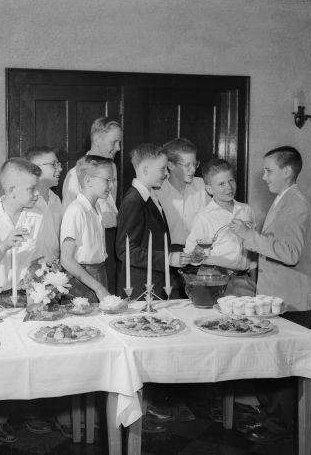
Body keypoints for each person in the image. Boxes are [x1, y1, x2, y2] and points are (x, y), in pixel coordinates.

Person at [230, 146, 311, 443]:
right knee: (275, 365)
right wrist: (254, 234)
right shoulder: (284, 200)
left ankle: (278, 430)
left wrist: (250, 238)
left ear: (287, 172)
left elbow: (291, 254)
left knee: (281, 367)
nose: (263, 176)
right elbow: (279, 242)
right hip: (280, 297)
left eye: (269, 170)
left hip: (290, 299)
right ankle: (275, 424)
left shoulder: (296, 204)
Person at [115, 143, 194, 432]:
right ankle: (143, 413)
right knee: (144, 350)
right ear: (145, 169)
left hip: (156, 282)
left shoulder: (150, 196)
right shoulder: (133, 200)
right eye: (162, 168)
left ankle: (156, 406)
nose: (166, 172)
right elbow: (126, 251)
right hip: (140, 287)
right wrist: (168, 258)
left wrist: (179, 254)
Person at [0, 157, 43, 445]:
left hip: (23, 296)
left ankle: (14, 413)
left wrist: (39, 286)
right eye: (31, 189)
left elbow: (33, 261)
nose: (36, 194)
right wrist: (4, 243)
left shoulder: (35, 216)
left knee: (25, 356)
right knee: (0, 361)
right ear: (12, 189)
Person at [62, 117, 122, 290]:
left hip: (107, 247)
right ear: (97, 139)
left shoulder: (112, 169)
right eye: (114, 142)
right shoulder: (76, 175)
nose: (118, 148)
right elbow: (69, 221)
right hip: (86, 257)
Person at [184, 158, 257, 297]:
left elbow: (254, 250)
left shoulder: (247, 210)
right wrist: (196, 253)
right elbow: (191, 254)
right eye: (221, 184)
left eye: (231, 181)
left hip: (244, 280)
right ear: (210, 189)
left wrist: (254, 281)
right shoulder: (204, 216)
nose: (229, 187)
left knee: (247, 318)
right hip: (214, 279)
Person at [60, 155, 115, 302]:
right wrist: (98, 287)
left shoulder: (96, 207)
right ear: (88, 180)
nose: (111, 186)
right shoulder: (76, 211)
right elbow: (66, 259)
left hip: (98, 274)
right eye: (107, 180)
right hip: (82, 282)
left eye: (112, 181)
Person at [159, 138, 209, 251]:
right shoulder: (158, 192)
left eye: (195, 164)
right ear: (170, 165)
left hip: (200, 254)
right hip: (169, 256)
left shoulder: (204, 187)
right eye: (187, 165)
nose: (193, 169)